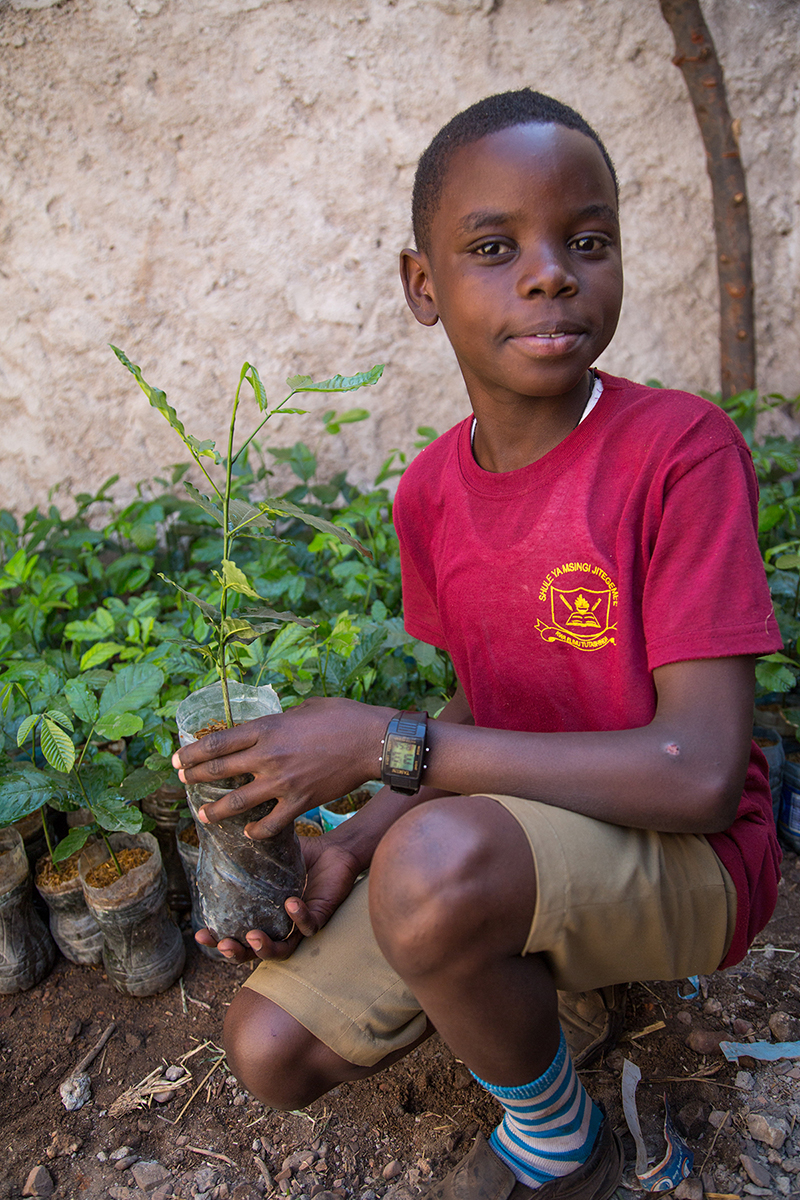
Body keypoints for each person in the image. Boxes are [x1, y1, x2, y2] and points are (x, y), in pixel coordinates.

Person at [173, 89, 782, 1200]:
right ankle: (520, 954)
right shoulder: (429, 494)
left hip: (693, 861)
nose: (549, 272)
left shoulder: (675, 450)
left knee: (438, 869)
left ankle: (559, 1140)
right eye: (493, 247)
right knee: (270, 1052)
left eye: (584, 241)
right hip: (530, 830)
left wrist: (379, 746)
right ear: (422, 286)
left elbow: (696, 776)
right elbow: (480, 705)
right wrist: (348, 845)